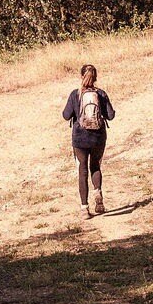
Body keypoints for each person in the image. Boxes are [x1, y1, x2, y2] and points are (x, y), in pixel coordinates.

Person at [61, 63, 115, 217]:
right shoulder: (101, 94)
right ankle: (98, 192)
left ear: (81, 76)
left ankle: (84, 208)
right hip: (98, 137)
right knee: (95, 166)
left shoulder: (75, 94)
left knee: (82, 170)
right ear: (96, 77)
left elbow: (66, 115)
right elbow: (110, 115)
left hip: (80, 138)